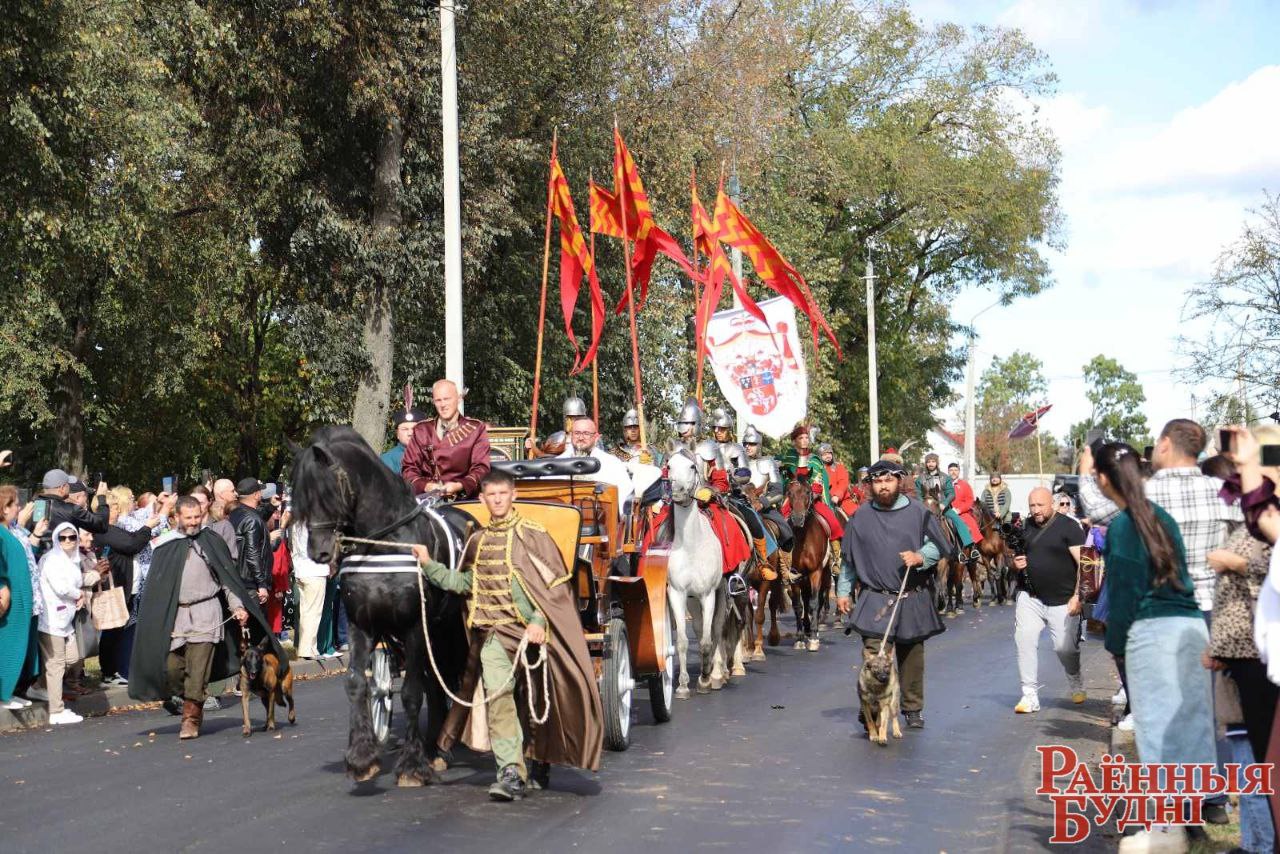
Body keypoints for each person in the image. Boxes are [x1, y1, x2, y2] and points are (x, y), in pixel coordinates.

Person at [415, 469, 603, 801]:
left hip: (530, 635)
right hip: (492, 638)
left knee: (537, 702)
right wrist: (430, 565)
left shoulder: (534, 535)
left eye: (503, 493)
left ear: (513, 495)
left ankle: (540, 758)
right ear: (484, 499)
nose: (498, 500)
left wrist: (538, 624)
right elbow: (464, 585)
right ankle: (510, 772)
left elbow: (554, 593)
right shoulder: (476, 541)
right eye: (492, 495)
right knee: (499, 701)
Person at [1093, 442, 1215, 851]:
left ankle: (1167, 832)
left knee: (1157, 733)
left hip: (1153, 633)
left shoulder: (1125, 528)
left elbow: (1125, 598)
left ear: (1103, 479)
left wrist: (1116, 647)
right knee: (1189, 726)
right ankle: (1192, 823)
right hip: (1190, 625)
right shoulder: (1161, 517)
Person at [128, 496, 283, 739]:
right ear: (177, 517)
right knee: (172, 669)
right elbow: (156, 589)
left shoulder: (211, 541)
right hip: (176, 615)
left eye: (197, 517)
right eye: (188, 518)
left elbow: (227, 581)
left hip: (207, 613)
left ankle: (190, 718)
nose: (192, 522)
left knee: (198, 669)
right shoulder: (166, 545)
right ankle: (192, 699)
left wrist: (237, 607)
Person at [837, 459, 947, 729]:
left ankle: (912, 708)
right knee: (873, 656)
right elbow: (849, 559)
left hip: (912, 594)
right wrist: (843, 590)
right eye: (877, 481)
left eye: (888, 480)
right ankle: (871, 708)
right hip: (875, 597)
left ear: (899, 481)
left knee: (912, 655)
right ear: (871, 485)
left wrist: (921, 556)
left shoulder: (919, 512)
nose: (883, 486)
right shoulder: (860, 517)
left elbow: (938, 545)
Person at [1011, 487, 1087, 714]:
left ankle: (1075, 679)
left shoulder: (1069, 527)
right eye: (1032, 506)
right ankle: (1029, 695)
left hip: (1063, 600)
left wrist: (1077, 596)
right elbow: (1013, 559)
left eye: (1040, 505)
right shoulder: (1024, 528)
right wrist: (1015, 564)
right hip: (1030, 597)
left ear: (1052, 504)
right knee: (1023, 640)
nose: (1036, 510)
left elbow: (1085, 564)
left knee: (1065, 649)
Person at [93, 488, 173, 687]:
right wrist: (149, 525)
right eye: (112, 508)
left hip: (128, 585)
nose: (116, 511)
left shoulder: (114, 527)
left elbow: (134, 532)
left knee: (120, 630)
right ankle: (109, 672)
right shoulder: (106, 531)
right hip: (118, 586)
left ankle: (116, 670)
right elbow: (132, 544)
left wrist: (156, 508)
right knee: (113, 630)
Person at [32, 522, 100, 724]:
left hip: (66, 619)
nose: (68, 541)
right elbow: (62, 587)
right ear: (56, 539)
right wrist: (78, 594)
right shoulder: (51, 559)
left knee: (72, 658)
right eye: (63, 538)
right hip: (51, 618)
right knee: (56, 664)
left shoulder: (73, 559)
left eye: (72, 537)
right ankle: (56, 711)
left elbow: (77, 581)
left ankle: (39, 687)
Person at [402, 379, 492, 499]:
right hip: (428, 500)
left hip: (463, 500)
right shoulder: (422, 430)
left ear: (459, 399)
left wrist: (460, 486)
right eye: (438, 400)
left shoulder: (475, 429)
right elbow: (409, 468)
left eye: (447, 399)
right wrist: (426, 486)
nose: (443, 405)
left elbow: (481, 468)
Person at [0, 487, 39, 711]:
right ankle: (3, 693)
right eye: (14, 504)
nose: (19, 508)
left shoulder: (11, 531)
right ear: (4, 509)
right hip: (9, 600)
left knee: (21, 645)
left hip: (22, 599)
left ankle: (12, 690)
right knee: (8, 645)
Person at [558, 418, 635, 519]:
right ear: (571, 435)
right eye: (577, 433)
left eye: (586, 433)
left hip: (600, 523)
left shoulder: (612, 464)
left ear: (596, 437)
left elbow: (623, 497)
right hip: (561, 520)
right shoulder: (557, 463)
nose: (581, 437)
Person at [779, 423, 842, 541]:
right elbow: (785, 479)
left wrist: (810, 496)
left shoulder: (815, 459)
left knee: (833, 522)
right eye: (801, 438)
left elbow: (818, 483)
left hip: (810, 498)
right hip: (792, 498)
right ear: (794, 441)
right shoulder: (789, 457)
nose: (805, 440)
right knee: (779, 523)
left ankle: (835, 550)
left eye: (807, 437)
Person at [915, 453, 978, 559]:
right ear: (926, 463)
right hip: (926, 508)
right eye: (928, 462)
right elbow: (918, 494)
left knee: (958, 520)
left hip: (943, 507)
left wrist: (944, 503)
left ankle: (969, 546)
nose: (931, 464)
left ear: (937, 463)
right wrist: (922, 505)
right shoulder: (920, 479)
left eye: (933, 461)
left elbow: (951, 493)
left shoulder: (945, 477)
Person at [33, 469, 108, 555]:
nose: (69, 487)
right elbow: (101, 525)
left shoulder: (31, 507)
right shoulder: (72, 510)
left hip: (38, 561)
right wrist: (102, 498)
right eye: (67, 484)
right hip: (65, 562)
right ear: (62, 488)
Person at [290, 521, 331, 660]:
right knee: (313, 612)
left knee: (306, 612)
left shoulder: (297, 520)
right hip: (314, 570)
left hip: (301, 569)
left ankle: (305, 648)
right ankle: (309, 650)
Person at [228, 478, 270, 605]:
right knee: (257, 623)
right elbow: (252, 552)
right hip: (251, 585)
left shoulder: (235, 514)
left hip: (237, 579)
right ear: (256, 495)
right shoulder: (251, 519)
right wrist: (261, 584)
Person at [380, 399, 427, 474]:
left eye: (414, 429)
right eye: (405, 429)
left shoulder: (433, 455)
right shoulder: (386, 460)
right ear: (397, 434)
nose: (410, 433)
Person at [946, 462, 984, 547]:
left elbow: (970, 501)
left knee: (971, 526)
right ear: (948, 472)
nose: (953, 472)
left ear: (959, 472)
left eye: (956, 470)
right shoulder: (943, 484)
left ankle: (972, 549)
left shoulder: (965, 485)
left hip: (961, 513)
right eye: (951, 470)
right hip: (946, 512)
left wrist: (959, 510)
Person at [821, 443, 859, 516]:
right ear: (821, 456)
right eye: (824, 454)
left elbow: (843, 482)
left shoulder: (839, 467)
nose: (827, 456)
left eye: (829, 453)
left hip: (843, 502)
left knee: (858, 516)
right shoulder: (819, 470)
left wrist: (837, 496)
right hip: (824, 502)